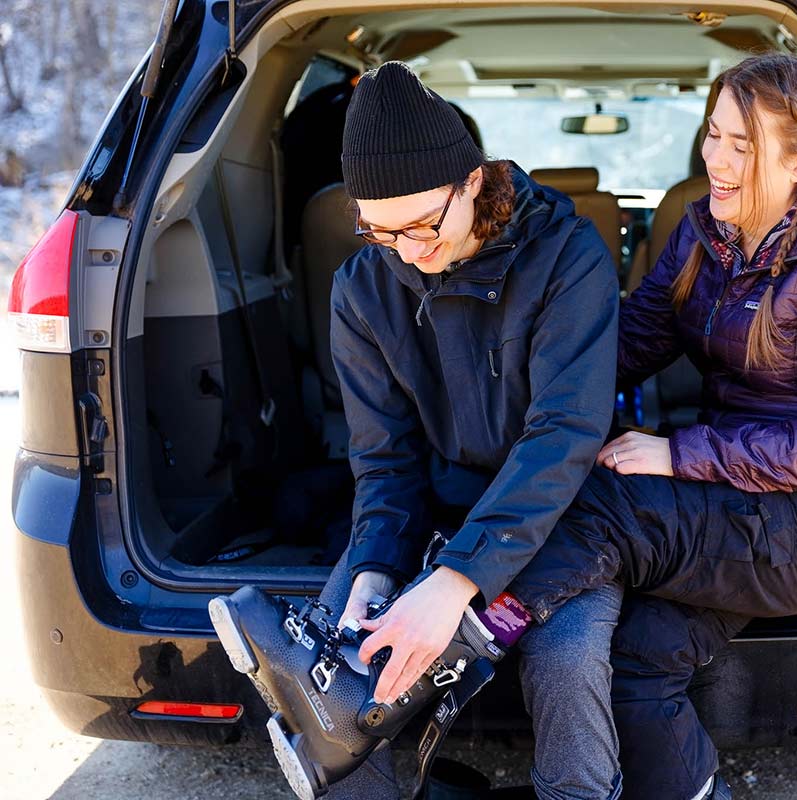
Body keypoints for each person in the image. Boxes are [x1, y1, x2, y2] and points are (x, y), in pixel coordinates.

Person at [356, 52, 797, 800]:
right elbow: (626, 344)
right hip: (745, 504)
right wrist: (535, 394)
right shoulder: (703, 237)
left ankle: (459, 647)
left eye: (741, 145)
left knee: (609, 500)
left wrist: (682, 453)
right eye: (712, 135)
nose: (715, 158)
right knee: (638, 659)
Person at [212, 61, 627, 800]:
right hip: (432, 507)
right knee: (343, 672)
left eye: (422, 224)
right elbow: (384, 461)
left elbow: (564, 436)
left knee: (566, 659)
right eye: (379, 229)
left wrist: (454, 583)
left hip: (565, 513)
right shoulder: (361, 289)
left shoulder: (568, 257)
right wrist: (373, 568)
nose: (408, 250)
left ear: (473, 181)